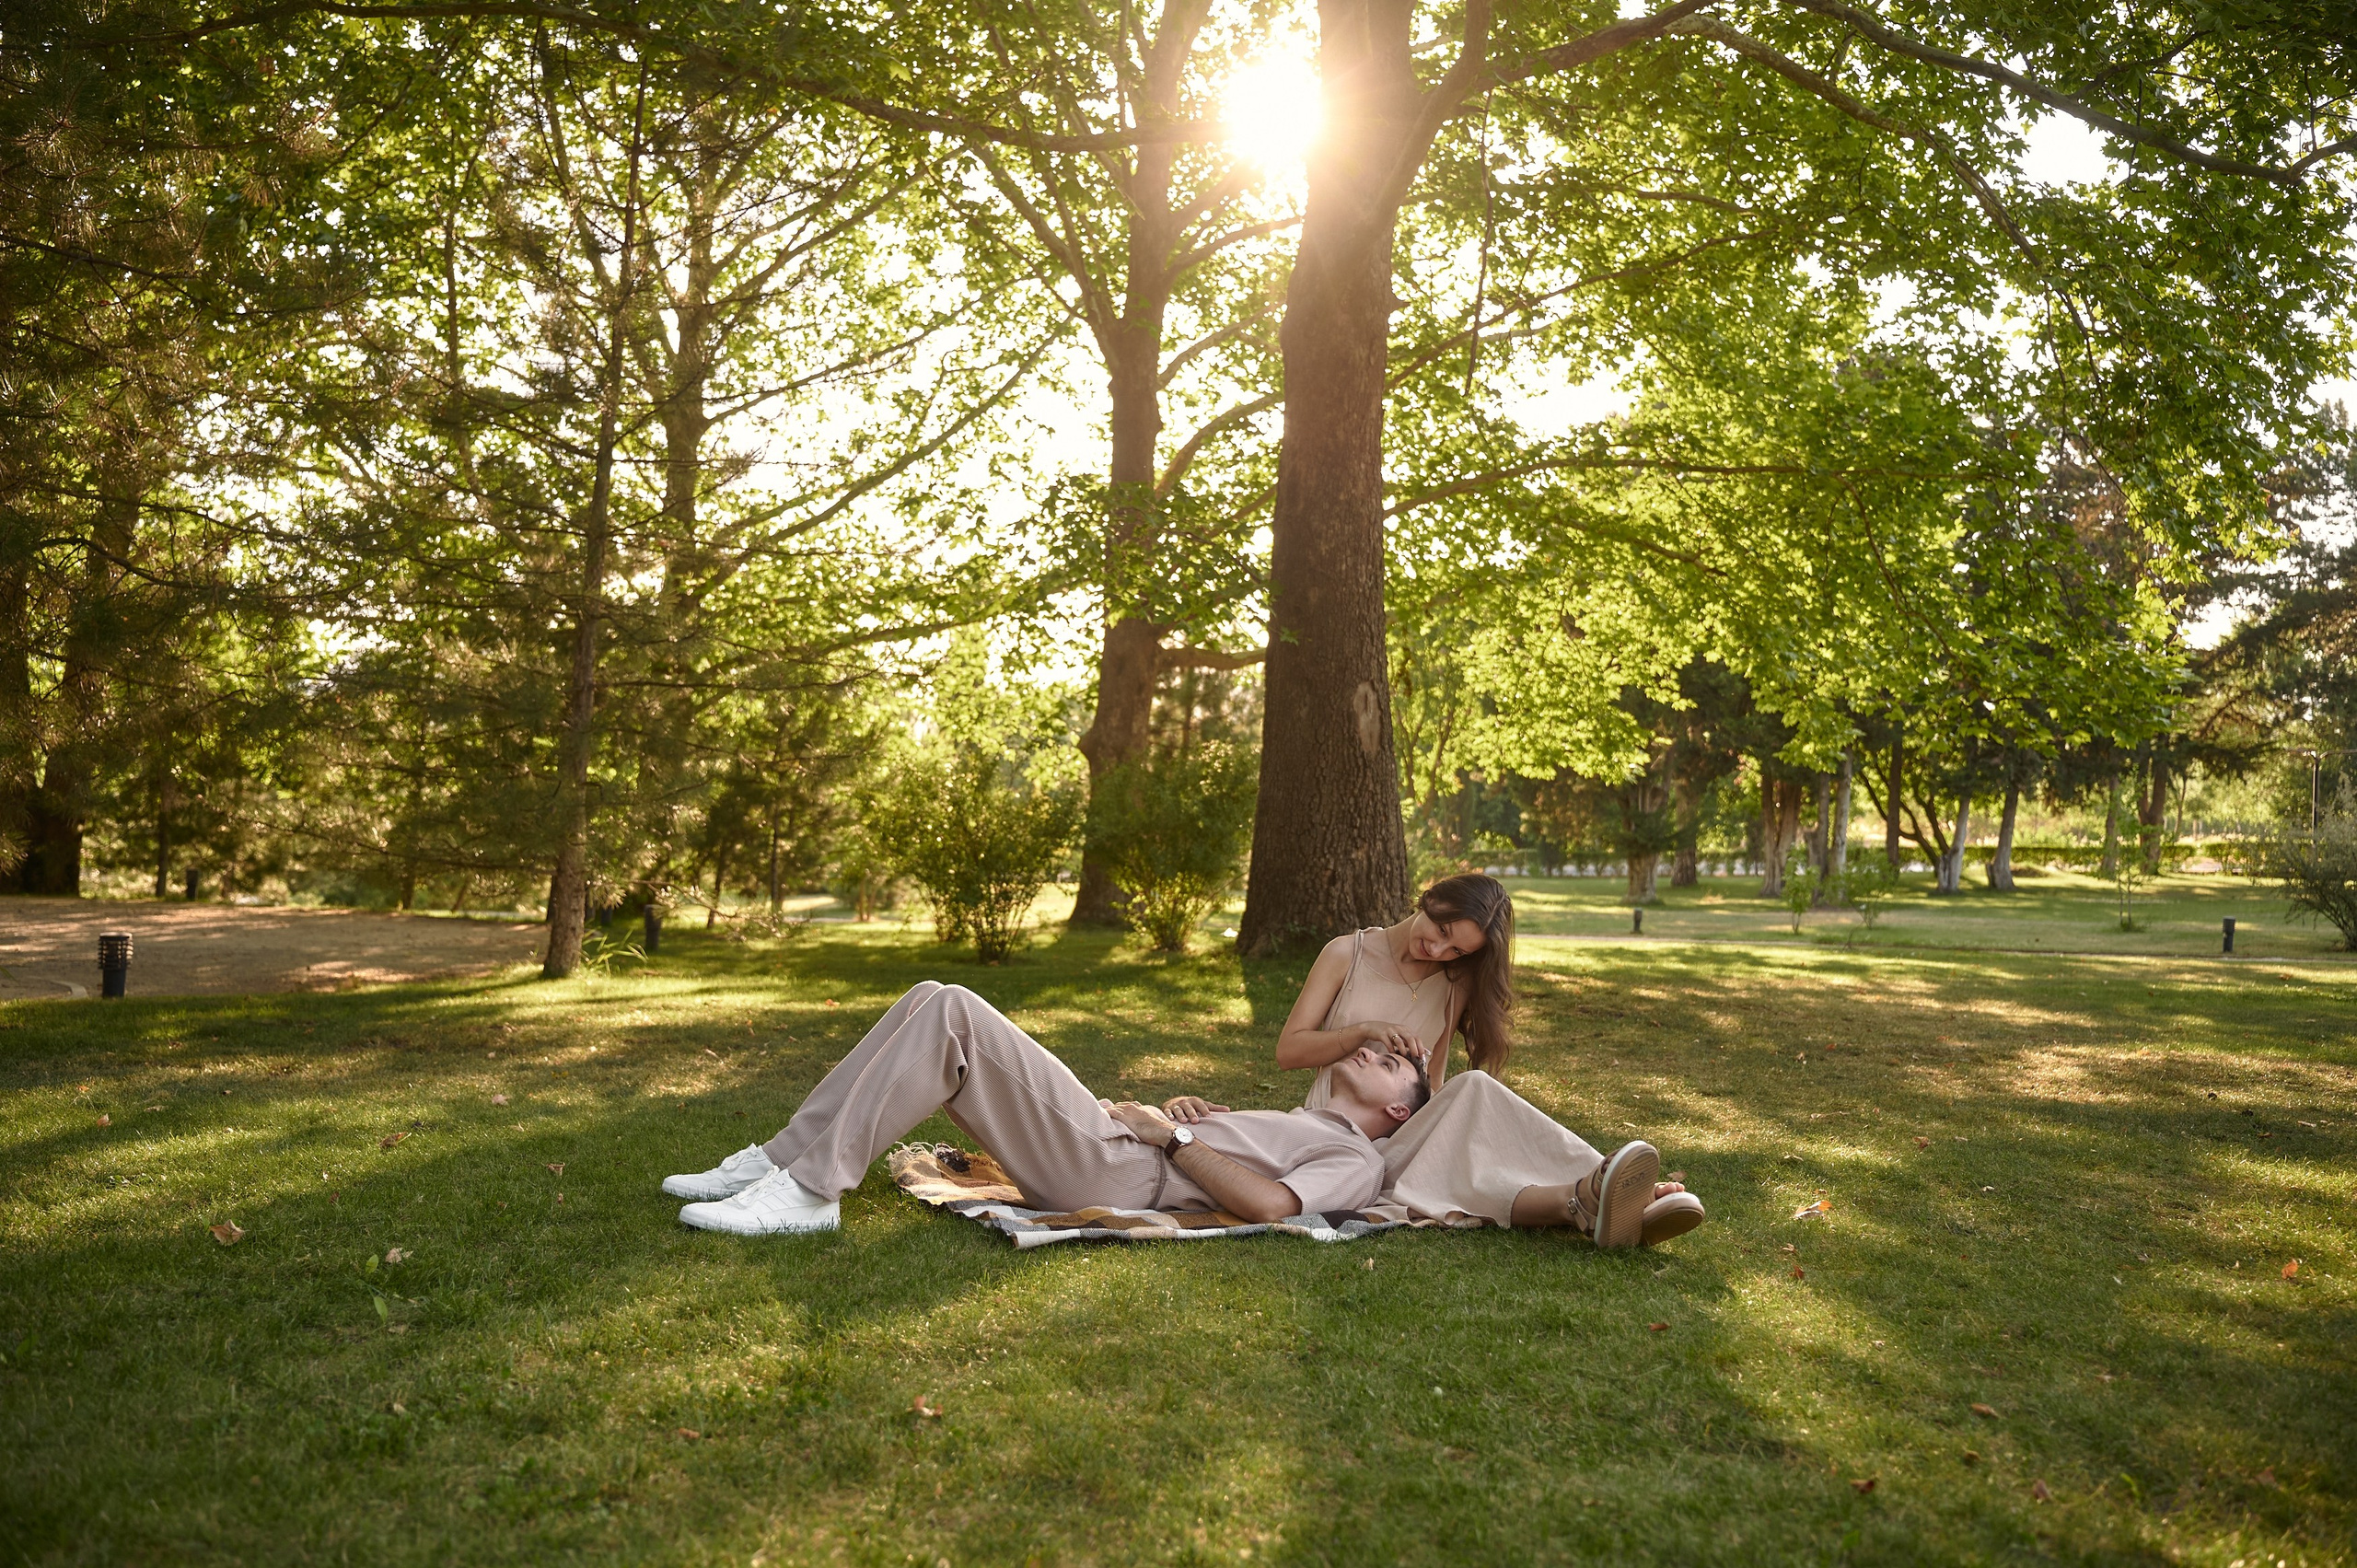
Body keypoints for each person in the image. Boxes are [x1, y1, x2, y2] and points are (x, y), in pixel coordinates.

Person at [1164, 873, 1706, 1248]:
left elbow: (1433, 1081)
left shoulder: (1454, 984)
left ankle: (1596, 1194)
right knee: (1472, 1094)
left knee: (1466, 1109)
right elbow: (1289, 1051)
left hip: (1402, 1124)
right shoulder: (1346, 953)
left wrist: (1428, 1106)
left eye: (1457, 951)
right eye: (1442, 932)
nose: (1439, 952)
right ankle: (1603, 1183)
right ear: (1431, 900)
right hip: (1339, 1130)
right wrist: (1359, 1034)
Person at [660, 980, 1431, 1236]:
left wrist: (1175, 1135)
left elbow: (1273, 1205)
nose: (1371, 1051)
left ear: (1399, 1112)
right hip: (1118, 1142)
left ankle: (810, 1192)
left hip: (1120, 1168)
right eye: (1379, 1047)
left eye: (1393, 1064)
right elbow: (1239, 1162)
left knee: (956, 1011)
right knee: (931, 997)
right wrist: (1194, 1123)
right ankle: (779, 1160)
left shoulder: (1359, 1159)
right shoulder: (1316, 1122)